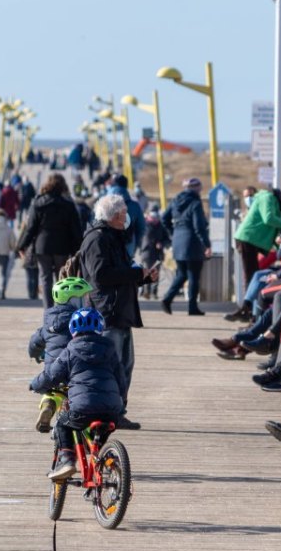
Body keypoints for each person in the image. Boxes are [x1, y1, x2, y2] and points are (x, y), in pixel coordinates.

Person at [78, 193, 158, 428]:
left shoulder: (113, 237)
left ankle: (117, 411)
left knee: (124, 365)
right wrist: (136, 274)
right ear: (112, 216)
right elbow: (101, 275)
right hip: (106, 311)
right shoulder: (97, 240)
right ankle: (108, 413)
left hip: (120, 311)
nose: (126, 219)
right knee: (111, 367)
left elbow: (120, 272)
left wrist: (143, 278)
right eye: (123, 215)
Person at [31, 307, 126, 480]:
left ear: (73, 329)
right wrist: (122, 403)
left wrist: (35, 385)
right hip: (112, 409)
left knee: (62, 424)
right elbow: (121, 380)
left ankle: (67, 459)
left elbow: (51, 375)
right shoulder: (110, 348)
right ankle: (107, 463)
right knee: (99, 438)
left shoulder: (70, 350)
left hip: (82, 407)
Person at [28, 277, 93, 432]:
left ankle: (48, 405)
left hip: (54, 371)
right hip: (79, 371)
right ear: (73, 301)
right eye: (83, 298)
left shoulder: (49, 322)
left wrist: (35, 354)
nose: (87, 301)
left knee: (52, 391)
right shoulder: (83, 321)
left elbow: (35, 343)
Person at [18, 173, 85, 307]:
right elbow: (76, 230)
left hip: (42, 247)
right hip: (62, 247)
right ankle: (60, 308)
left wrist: (22, 245)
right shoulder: (68, 205)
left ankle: (48, 310)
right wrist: (79, 248)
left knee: (45, 278)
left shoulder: (38, 203)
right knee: (61, 278)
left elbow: (31, 227)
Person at [227, 187, 281, 320]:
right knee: (251, 275)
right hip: (248, 238)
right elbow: (268, 219)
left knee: (252, 275)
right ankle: (248, 311)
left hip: (250, 239)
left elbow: (272, 227)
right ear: (279, 195)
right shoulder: (268, 198)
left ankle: (247, 309)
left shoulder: (270, 200)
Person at [161, 177, 212, 316]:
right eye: (200, 188)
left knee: (182, 273)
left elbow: (164, 218)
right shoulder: (195, 203)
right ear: (195, 188)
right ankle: (192, 307)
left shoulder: (175, 200)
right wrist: (207, 244)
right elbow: (199, 226)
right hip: (192, 243)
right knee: (194, 276)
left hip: (178, 241)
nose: (200, 191)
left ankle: (167, 298)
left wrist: (173, 233)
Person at [107, 174, 146, 258]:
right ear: (126, 186)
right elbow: (141, 228)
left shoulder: (102, 204)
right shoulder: (135, 206)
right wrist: (135, 246)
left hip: (106, 249)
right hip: (128, 249)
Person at [140, 206, 169, 300]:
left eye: (156, 217)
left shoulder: (161, 226)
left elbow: (167, 239)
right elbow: (144, 237)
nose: (154, 218)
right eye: (152, 216)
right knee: (147, 272)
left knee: (156, 273)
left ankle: (153, 292)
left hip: (157, 254)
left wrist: (161, 243)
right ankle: (146, 291)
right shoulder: (145, 224)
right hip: (147, 252)